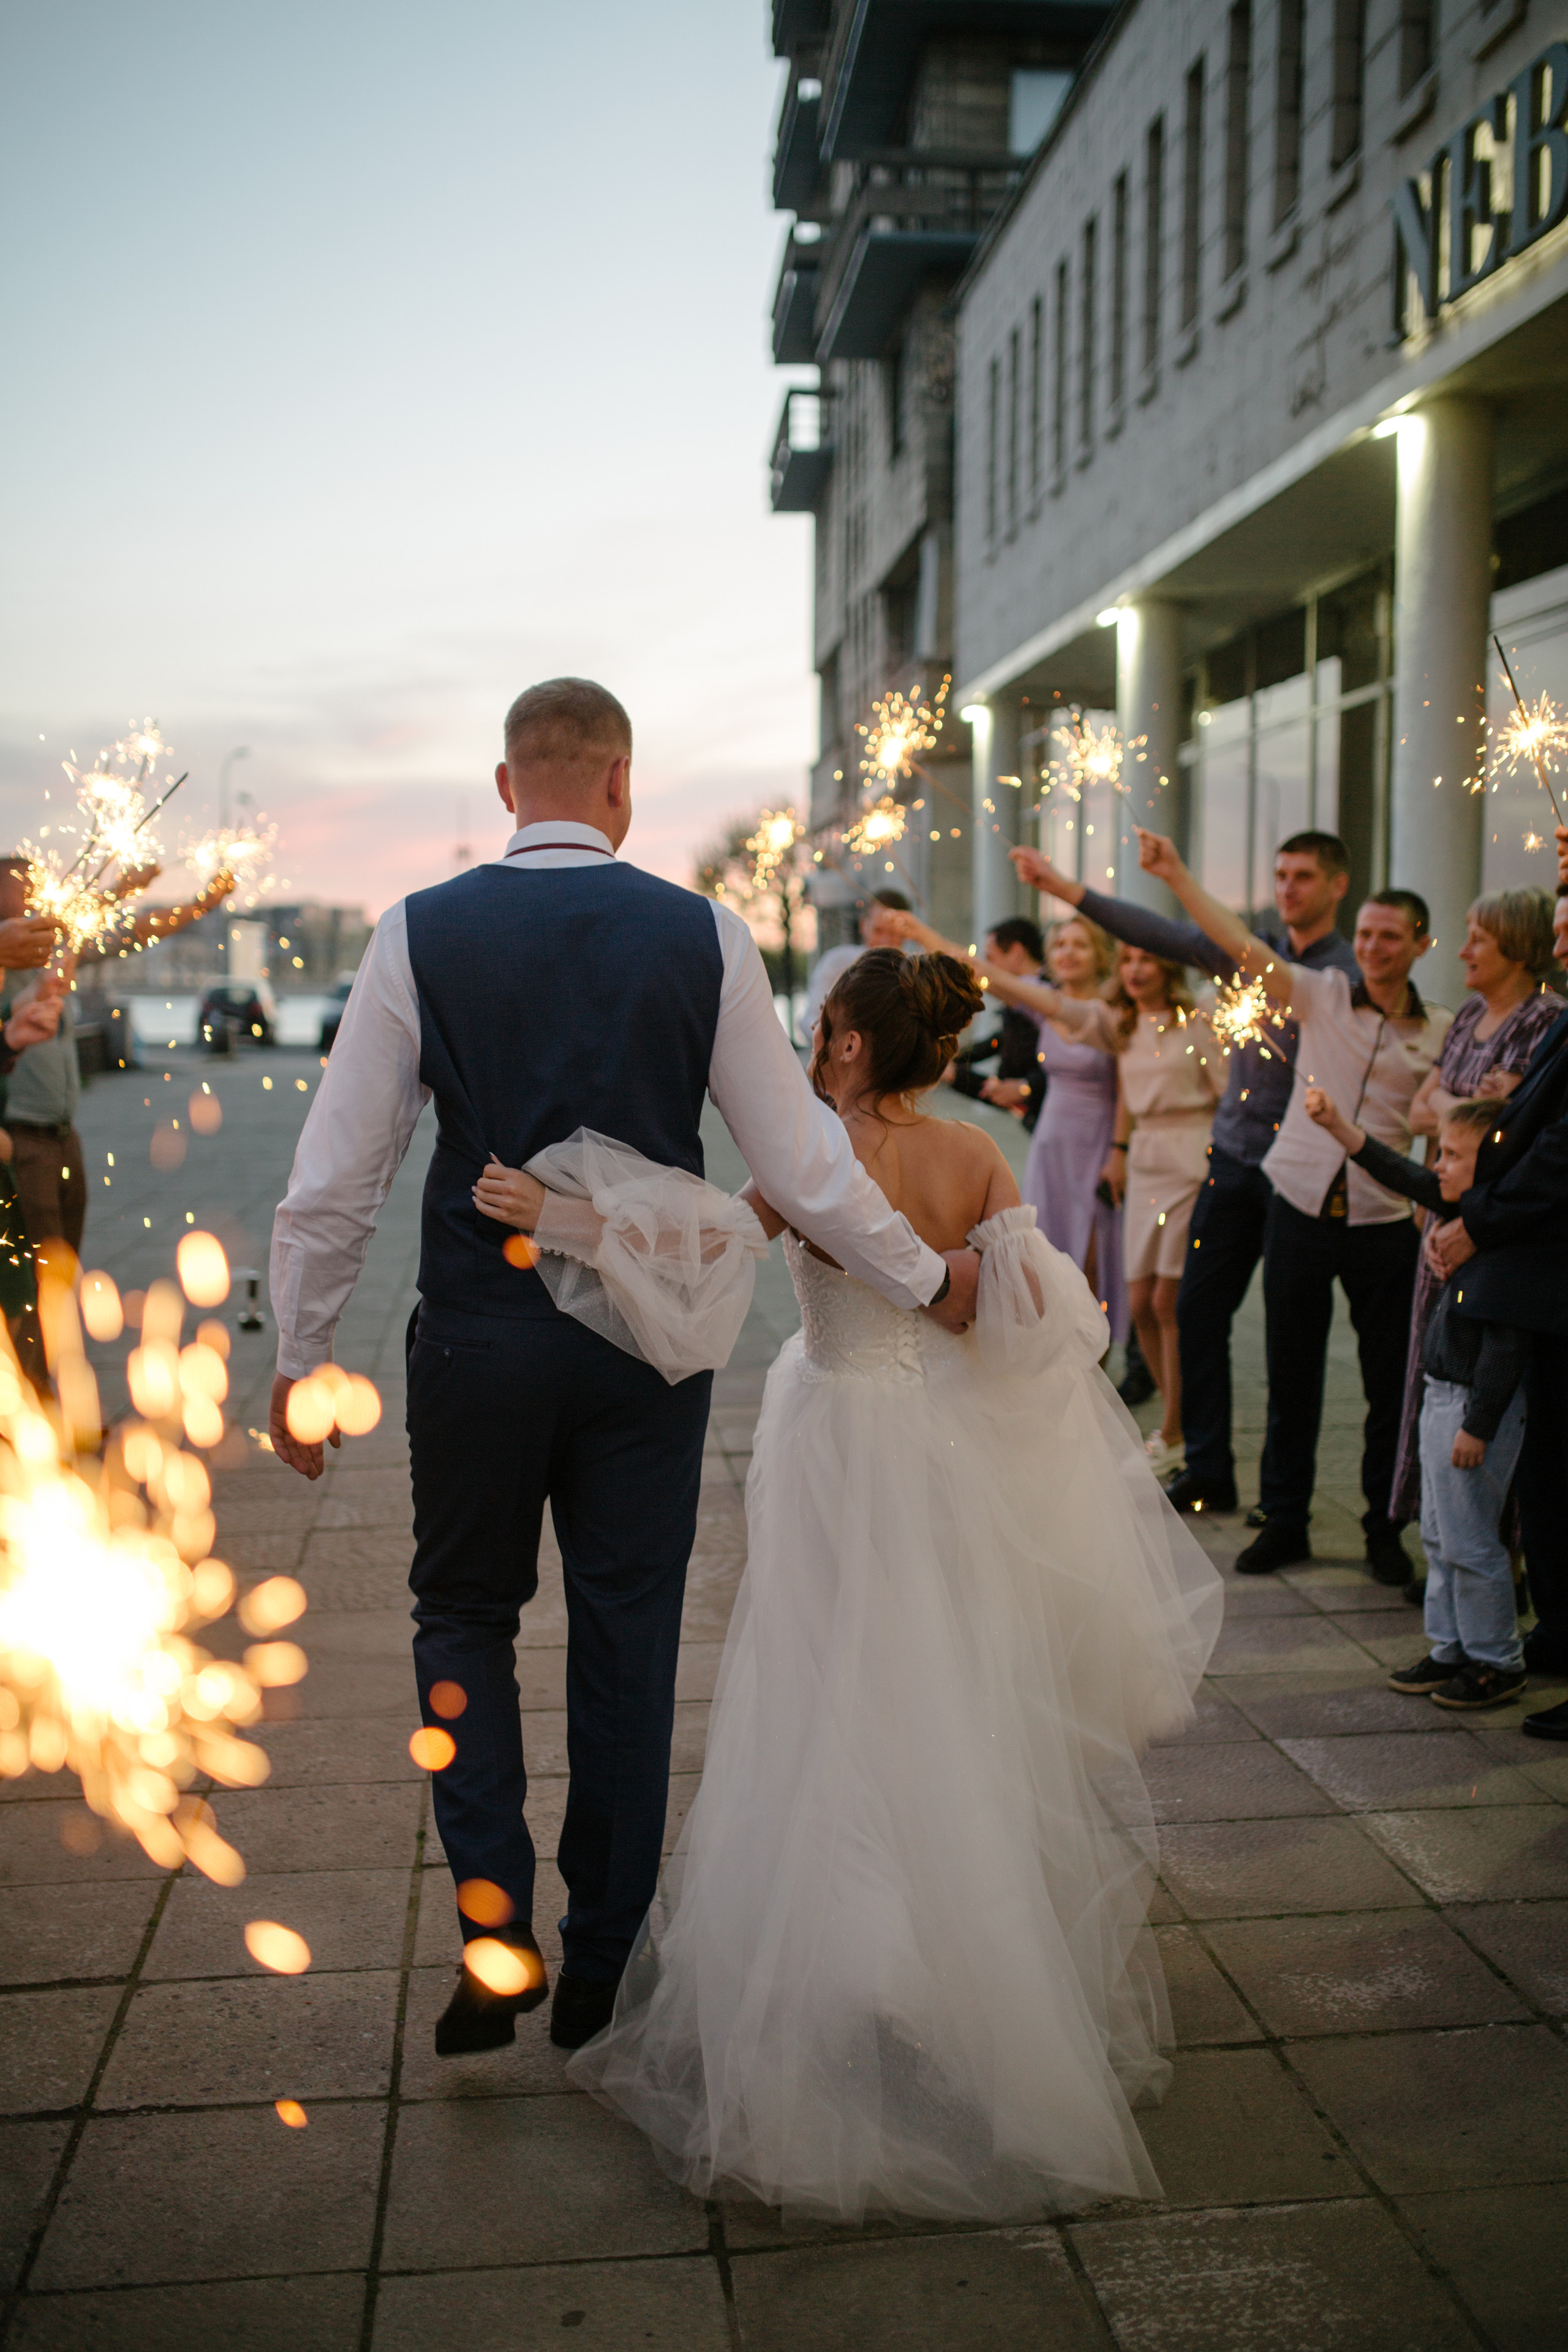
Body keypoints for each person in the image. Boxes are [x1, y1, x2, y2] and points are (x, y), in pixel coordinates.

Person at [266, 678, 981, 2060]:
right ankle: (601, 1954)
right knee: (627, 1639)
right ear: (620, 786)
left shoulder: (420, 931)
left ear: (503, 787)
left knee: (461, 1618)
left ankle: (494, 1932)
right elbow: (801, 1161)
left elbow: (337, 1171)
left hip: (479, 1337)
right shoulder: (700, 932)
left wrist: (301, 1356)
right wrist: (925, 1278)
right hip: (647, 1353)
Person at [493, 946, 1222, 2220]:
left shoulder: (807, 1164)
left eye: (819, 1024)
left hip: (830, 1434)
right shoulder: (971, 1159)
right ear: (935, 1048)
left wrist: (561, 1217)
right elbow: (1024, 1322)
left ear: (841, 1045)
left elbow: (698, 1248)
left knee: (828, 1684)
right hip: (934, 1444)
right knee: (937, 1678)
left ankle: (854, 1947)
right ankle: (956, 1960)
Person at [1133, 829, 1451, 1580]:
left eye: (1388, 936)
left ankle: (1383, 1529)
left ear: (1419, 944)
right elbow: (1239, 944)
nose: (1371, 947)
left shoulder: (1438, 1031)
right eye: (1365, 934)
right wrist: (1176, 872)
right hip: (1299, 1206)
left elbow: (1450, 1120)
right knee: (1291, 1371)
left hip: (1383, 1220)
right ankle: (1285, 1520)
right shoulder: (1321, 993)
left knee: (1385, 1383)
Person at [1012, 831, 1360, 1516]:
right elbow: (1160, 933)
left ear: (1335, 886)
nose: (1288, 887)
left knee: (1293, 1338)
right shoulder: (1246, 953)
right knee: (1192, 1312)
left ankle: (1287, 1507)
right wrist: (1063, 889)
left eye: (1303, 877)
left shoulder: (1337, 972)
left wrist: (1176, 872)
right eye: (1280, 874)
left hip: (1297, 1170)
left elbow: (1199, 937)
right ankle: (1205, 1465)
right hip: (1229, 1162)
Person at [1306, 1087, 1529, 1708]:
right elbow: (1397, 1170)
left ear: (1492, 1168)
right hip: (1441, 1397)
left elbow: (1506, 1345)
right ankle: (1450, 1645)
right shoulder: (1459, 1210)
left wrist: (1478, 1424)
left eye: (1453, 1155)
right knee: (1437, 1532)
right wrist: (1336, 1126)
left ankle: (1496, 1660)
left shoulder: (1502, 1244)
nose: (1438, 1164)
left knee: (1472, 1539)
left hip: (1472, 1411)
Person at [1423, 836, 1568, 1740]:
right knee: (1544, 1485)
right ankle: (1547, 1629)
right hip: (1522, 1263)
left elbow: (1556, 1156)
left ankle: (1516, 1646)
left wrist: (1482, 1214)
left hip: (1530, 1264)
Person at [1386, 890, 1561, 1602]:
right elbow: (1420, 1111)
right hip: (1444, 1218)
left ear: (1516, 948)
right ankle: (1448, 1548)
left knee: (1490, 1388)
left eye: (1477, 939)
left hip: (1495, 1234)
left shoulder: (1544, 1020)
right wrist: (1478, 1107)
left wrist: (1472, 1112)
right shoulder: (1465, 1016)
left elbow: (1505, 1135)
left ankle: (1496, 1557)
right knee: (1432, 1380)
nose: (1462, 951)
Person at [891, 906, 1128, 1339]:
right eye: (1059, 944)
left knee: (1094, 1265)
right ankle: (1065, 1356)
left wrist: (1120, 1150)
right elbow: (982, 971)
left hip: (1098, 1144)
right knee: (1053, 1259)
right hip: (1051, 1144)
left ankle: (1100, 1359)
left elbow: (1128, 1088)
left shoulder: (1116, 1012)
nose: (1067, 952)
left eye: (1079, 944)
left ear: (1099, 954)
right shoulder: (1045, 1005)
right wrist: (922, 933)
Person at [2, 865, 234, 1276]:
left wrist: (200, 906)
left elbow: (132, 933)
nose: (40, 900)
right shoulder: (9, 963)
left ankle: (55, 1339)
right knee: (32, 1275)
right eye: (26, 891)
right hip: (17, 1139)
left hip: (63, 1136)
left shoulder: (52, 952)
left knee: (64, 1268)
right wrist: (118, 890)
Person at [944, 916, 1047, 1131]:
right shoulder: (1021, 1003)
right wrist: (955, 1057)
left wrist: (1026, 1087)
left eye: (991, 958)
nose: (988, 968)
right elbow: (1001, 1041)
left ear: (1017, 952)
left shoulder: (1040, 996)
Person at [802, 888, 911, 1036]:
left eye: (893, 933)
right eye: (878, 931)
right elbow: (811, 1018)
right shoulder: (837, 962)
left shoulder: (913, 972)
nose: (885, 941)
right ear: (863, 925)